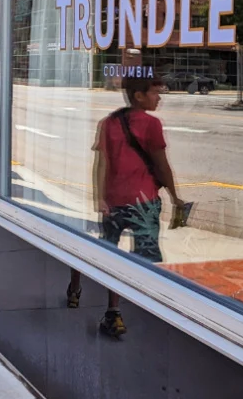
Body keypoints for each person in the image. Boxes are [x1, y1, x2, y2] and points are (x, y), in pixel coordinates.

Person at [69, 75, 184, 337]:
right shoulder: (151, 124)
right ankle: (147, 307)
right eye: (154, 93)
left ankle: (113, 310)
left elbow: (101, 164)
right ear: (138, 96)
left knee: (111, 254)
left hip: (113, 202)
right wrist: (176, 197)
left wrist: (99, 198)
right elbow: (161, 165)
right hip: (143, 204)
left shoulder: (108, 123)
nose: (159, 98)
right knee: (145, 256)